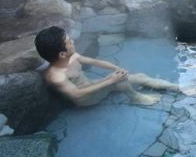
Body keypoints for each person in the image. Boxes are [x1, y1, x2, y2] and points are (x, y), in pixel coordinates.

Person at [35, 26, 179, 106]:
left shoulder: (70, 56)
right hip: (87, 99)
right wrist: (111, 80)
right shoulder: (56, 76)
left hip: (92, 85)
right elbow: (76, 95)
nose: (72, 41)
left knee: (138, 76)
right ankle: (136, 98)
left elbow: (95, 62)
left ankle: (178, 88)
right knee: (119, 80)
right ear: (61, 54)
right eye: (69, 42)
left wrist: (115, 69)